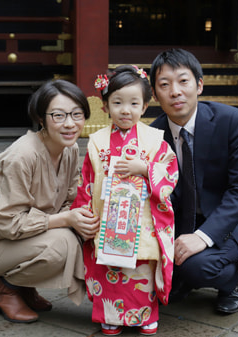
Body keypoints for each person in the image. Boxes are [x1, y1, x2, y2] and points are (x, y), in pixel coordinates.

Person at [0, 79, 100, 323]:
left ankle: (25, 288)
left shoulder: (70, 150)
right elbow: (8, 223)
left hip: (22, 234)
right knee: (64, 244)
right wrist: (66, 219)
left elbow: (69, 200)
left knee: (82, 234)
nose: (69, 123)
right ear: (42, 119)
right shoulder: (22, 155)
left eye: (77, 114)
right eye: (58, 115)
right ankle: (5, 288)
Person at [149, 49, 238, 314]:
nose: (175, 92)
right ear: (155, 95)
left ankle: (231, 279)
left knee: (197, 267)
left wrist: (202, 237)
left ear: (199, 85)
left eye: (183, 81)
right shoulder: (153, 134)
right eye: (164, 85)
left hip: (230, 219)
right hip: (182, 220)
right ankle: (183, 275)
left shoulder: (232, 121)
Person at [72, 65, 178, 335]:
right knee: (110, 267)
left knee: (141, 266)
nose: (125, 110)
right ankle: (111, 315)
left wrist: (144, 170)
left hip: (142, 219)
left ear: (144, 107)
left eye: (133, 103)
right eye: (117, 103)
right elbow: (87, 180)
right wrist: (83, 214)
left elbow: (170, 172)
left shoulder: (154, 140)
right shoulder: (97, 141)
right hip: (107, 217)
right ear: (105, 105)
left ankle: (145, 315)